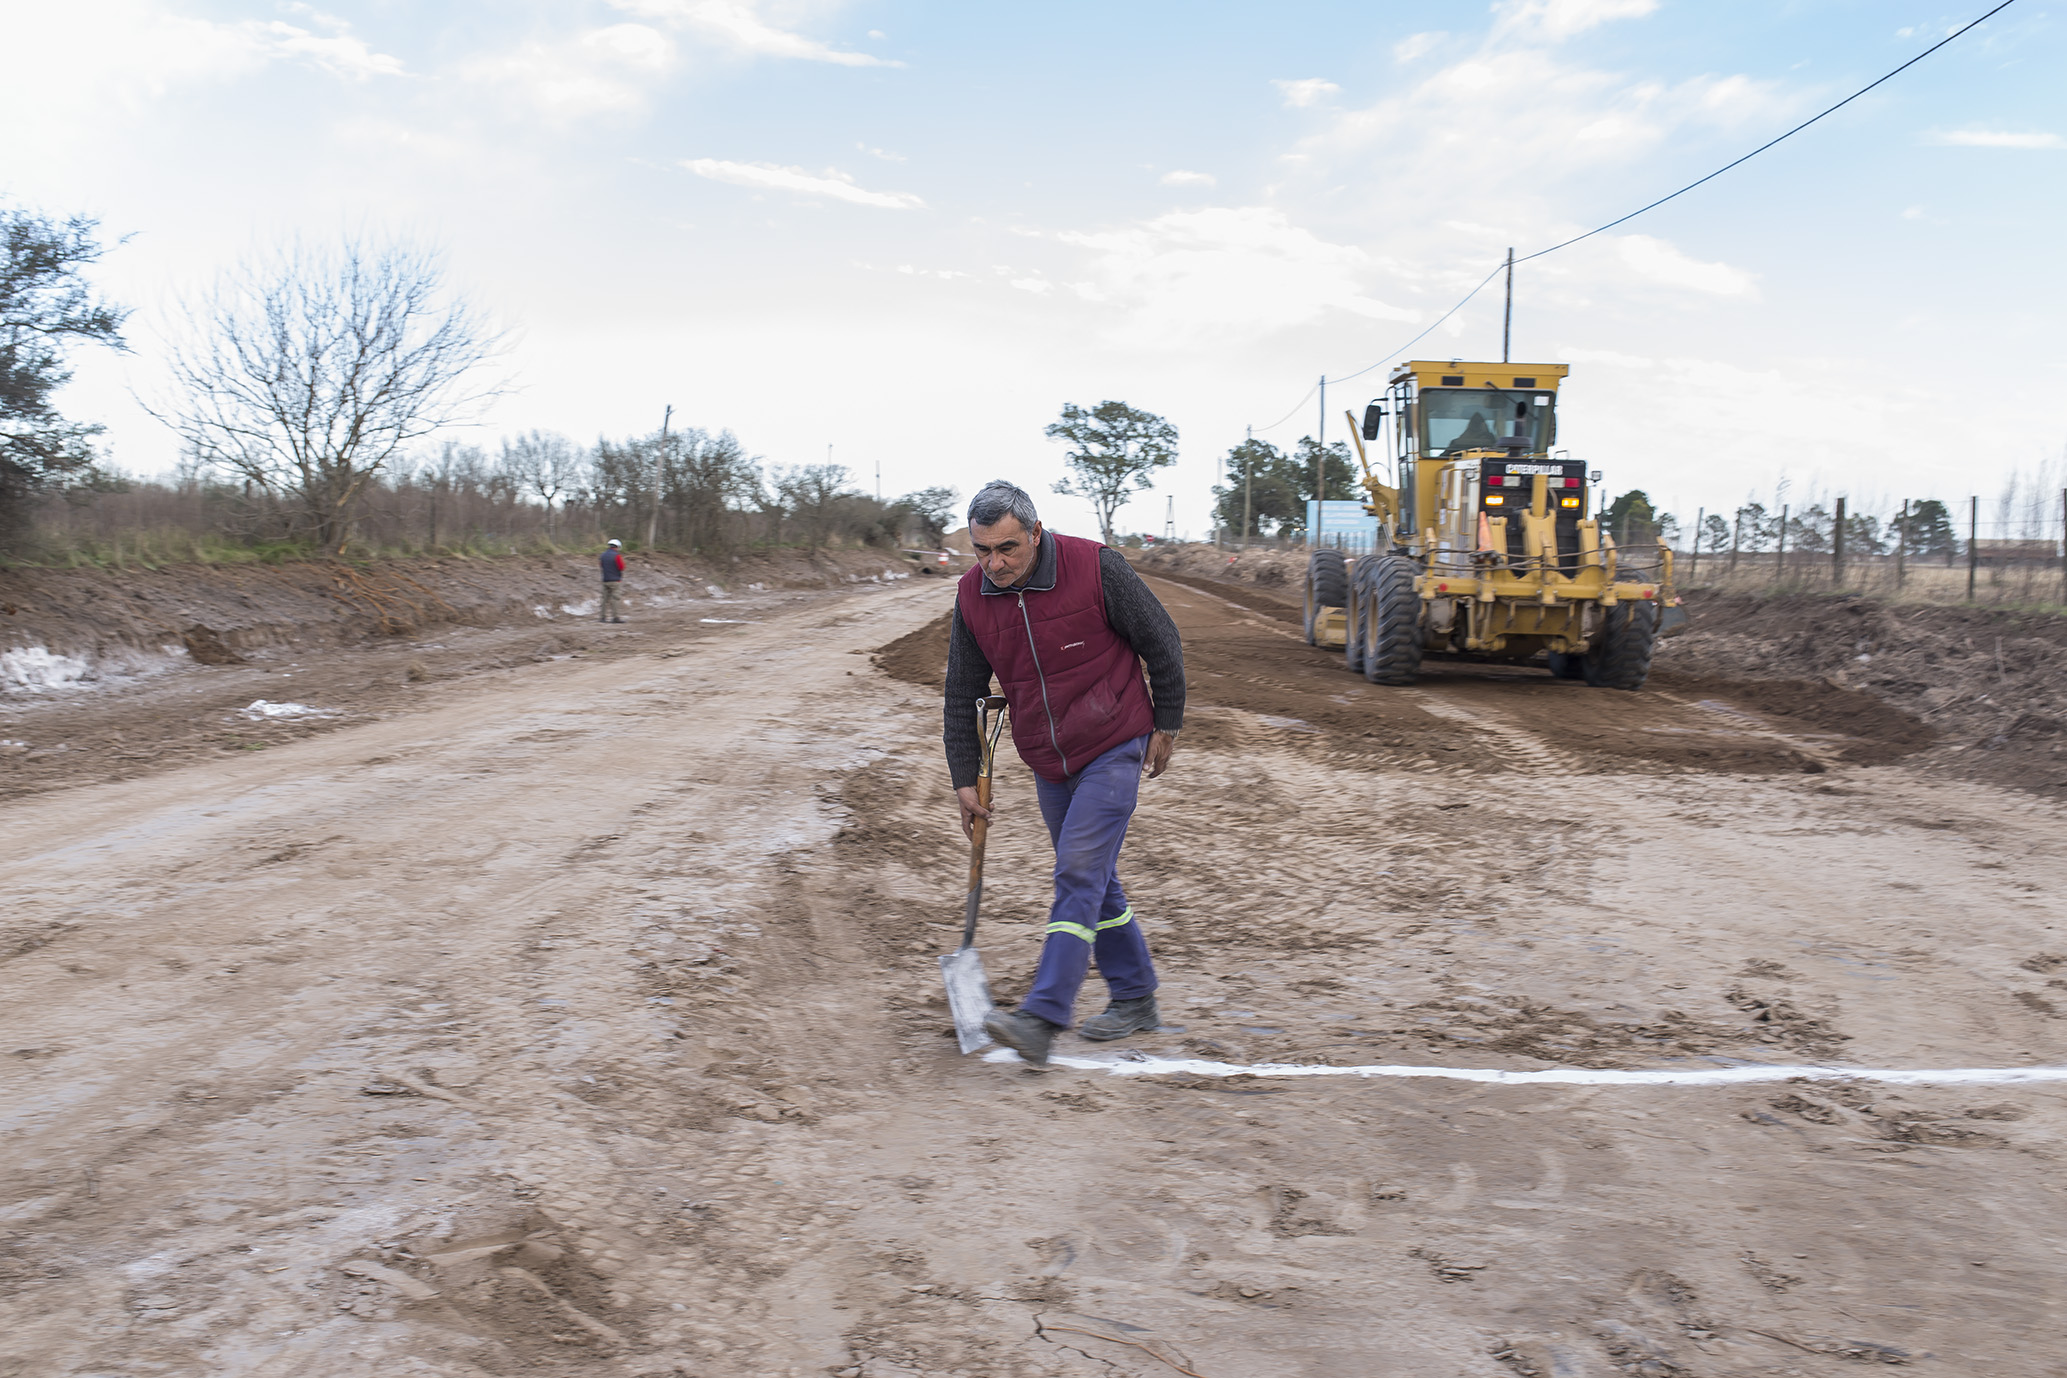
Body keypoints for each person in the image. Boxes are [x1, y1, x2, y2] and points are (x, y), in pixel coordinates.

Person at [943, 480, 1185, 1067]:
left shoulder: (1096, 568)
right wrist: (963, 775)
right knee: (1095, 879)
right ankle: (1136, 995)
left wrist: (1167, 722)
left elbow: (1161, 639)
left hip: (1115, 740)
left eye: (1006, 548)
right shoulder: (972, 596)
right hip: (1049, 759)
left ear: (1035, 532)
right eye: (982, 551)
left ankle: (1043, 1016)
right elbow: (962, 691)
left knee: (1077, 871)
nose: (994, 564)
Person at [599, 539, 627, 623]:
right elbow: (622, 567)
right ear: (617, 546)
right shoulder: (617, 556)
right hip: (615, 581)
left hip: (605, 580)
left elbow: (601, 565)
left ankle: (602, 617)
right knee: (615, 599)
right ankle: (615, 617)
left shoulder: (603, 555)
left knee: (604, 600)